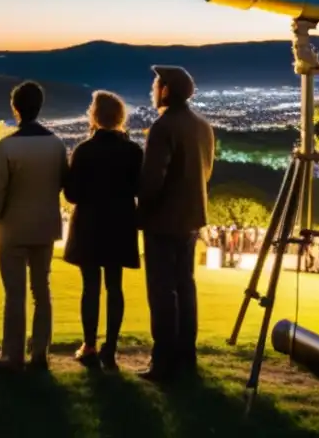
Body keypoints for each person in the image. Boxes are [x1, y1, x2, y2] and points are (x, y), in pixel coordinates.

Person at [137, 65, 215, 382]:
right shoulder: (202, 126)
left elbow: (153, 181)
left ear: (166, 90)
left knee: (161, 291)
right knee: (185, 287)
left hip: (163, 221)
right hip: (191, 219)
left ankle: (163, 360)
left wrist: (141, 209)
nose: (153, 90)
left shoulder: (163, 127)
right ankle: (186, 355)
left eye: (156, 84)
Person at [0, 81, 68, 372]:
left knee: (15, 293)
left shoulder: (6, 147)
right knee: (41, 289)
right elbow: (63, 184)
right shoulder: (57, 144)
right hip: (45, 227)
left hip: (12, 228)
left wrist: (2, 216)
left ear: (15, 108)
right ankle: (41, 352)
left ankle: (12, 353)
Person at [62, 90, 143, 370]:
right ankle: (111, 348)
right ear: (120, 117)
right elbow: (138, 189)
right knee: (115, 287)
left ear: (94, 116)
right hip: (120, 224)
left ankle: (89, 345)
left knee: (90, 287)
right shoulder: (133, 151)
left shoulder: (84, 150)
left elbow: (71, 194)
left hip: (89, 225)